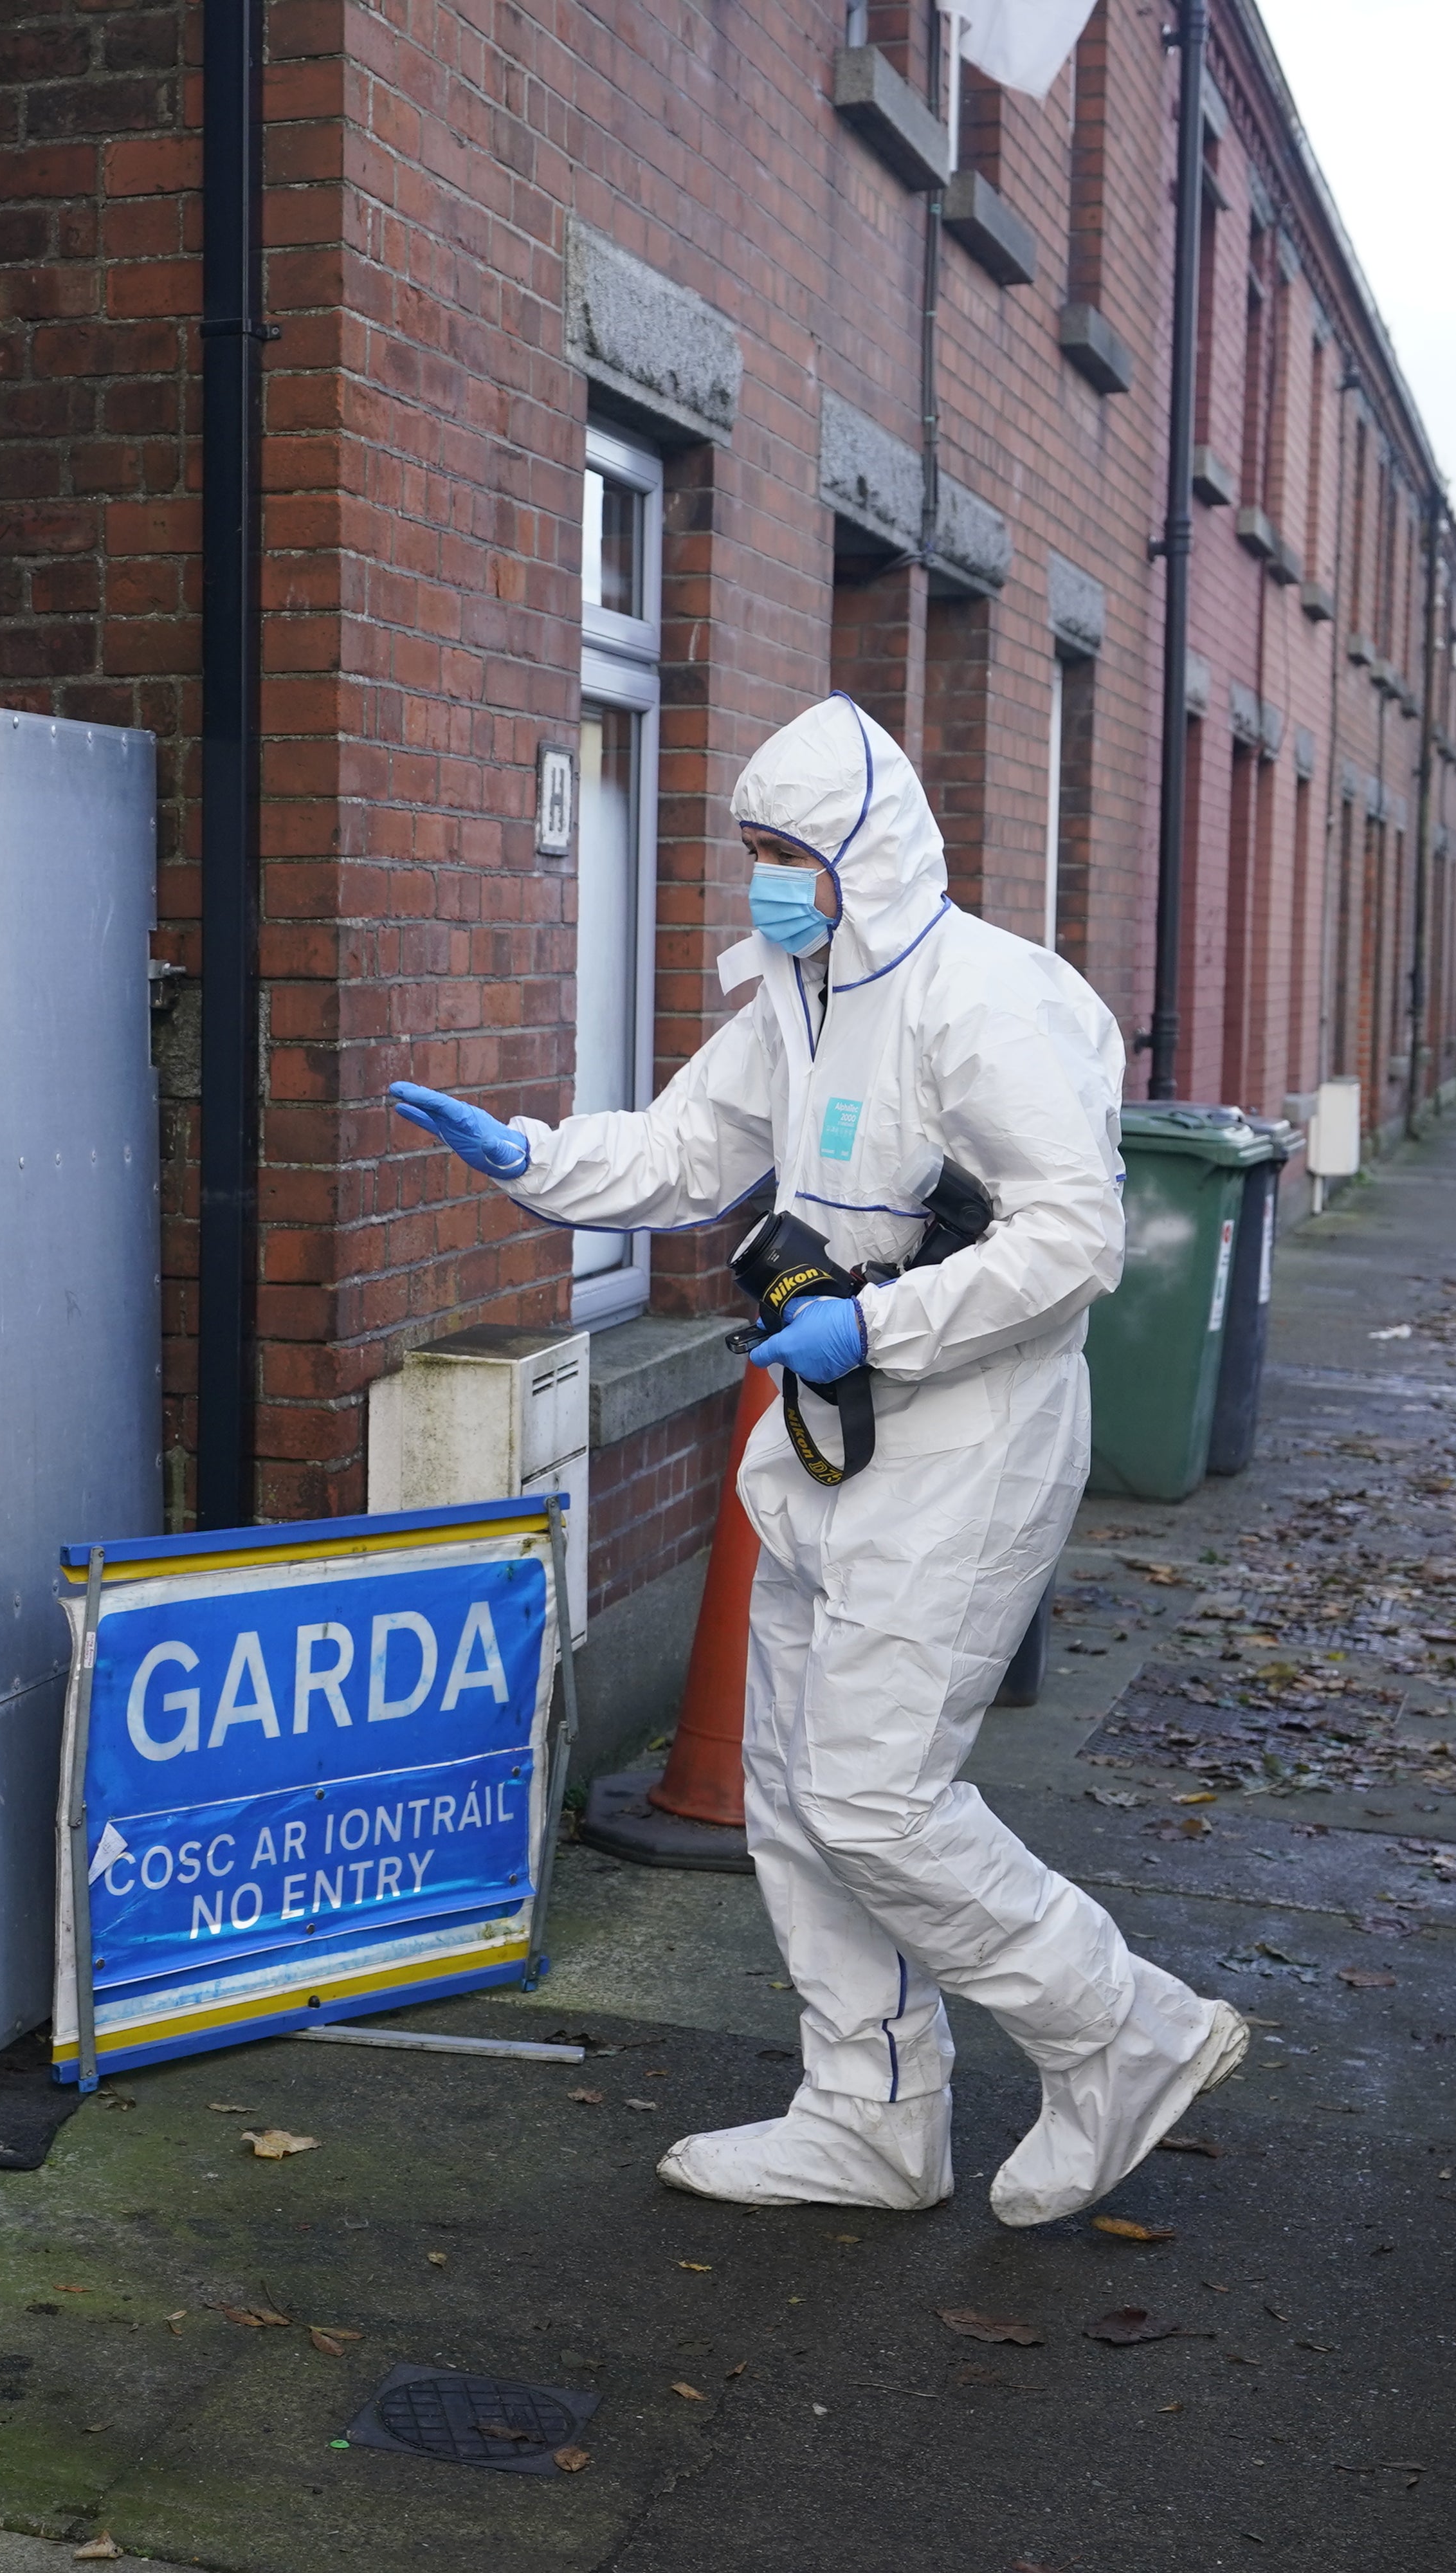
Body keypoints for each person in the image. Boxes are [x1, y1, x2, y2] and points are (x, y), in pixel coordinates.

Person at [387, 695, 1244, 2224]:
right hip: (833, 1440)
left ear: (873, 851)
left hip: (966, 1439)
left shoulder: (987, 1002)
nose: (768, 879)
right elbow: (682, 1151)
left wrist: (885, 1326)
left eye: (792, 851)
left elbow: (1075, 1233)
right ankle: (872, 2110)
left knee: (876, 1799)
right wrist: (534, 1158)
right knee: (790, 1789)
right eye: (755, 851)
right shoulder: (796, 988)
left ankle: (1122, 2026)